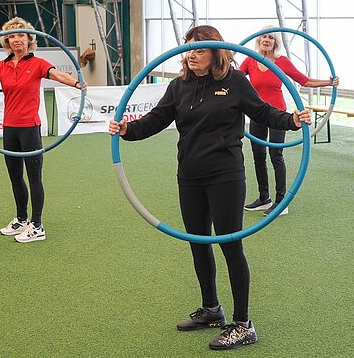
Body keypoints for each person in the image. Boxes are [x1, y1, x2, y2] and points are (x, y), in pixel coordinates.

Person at [108, 25, 311, 350]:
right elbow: (156, 120)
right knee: (198, 243)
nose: (191, 55)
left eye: (199, 49)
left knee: (231, 246)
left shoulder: (235, 82)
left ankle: (243, 324)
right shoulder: (178, 86)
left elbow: (262, 112)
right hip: (189, 176)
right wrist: (126, 130)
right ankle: (211, 309)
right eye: (188, 48)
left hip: (225, 176)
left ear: (216, 53)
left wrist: (292, 120)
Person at [0, 17, 84, 243]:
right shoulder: (2, 66)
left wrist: (76, 83)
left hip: (30, 128)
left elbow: (58, 75)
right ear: (6, 41)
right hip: (10, 128)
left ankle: (37, 225)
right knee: (15, 177)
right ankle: (21, 219)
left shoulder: (38, 64)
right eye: (12, 36)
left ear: (29, 39)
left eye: (21, 35)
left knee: (34, 177)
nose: (17, 39)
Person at [239, 29, 338, 216]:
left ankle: (281, 202)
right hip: (257, 112)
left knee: (275, 154)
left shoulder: (281, 62)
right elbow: (234, 78)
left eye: (271, 37)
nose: (267, 39)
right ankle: (264, 198)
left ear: (275, 43)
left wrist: (328, 82)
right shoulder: (250, 60)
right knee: (258, 154)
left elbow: (304, 81)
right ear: (259, 40)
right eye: (264, 36)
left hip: (277, 114)